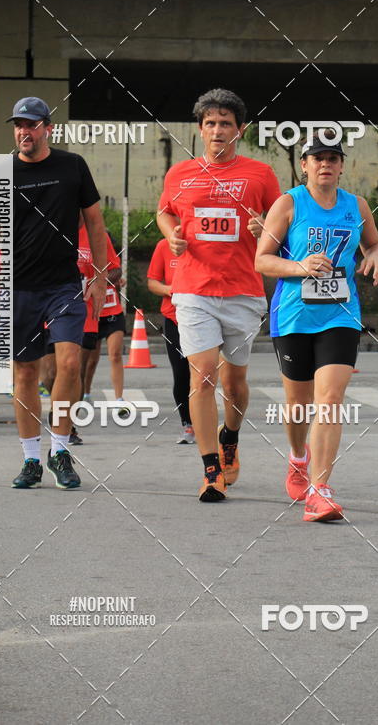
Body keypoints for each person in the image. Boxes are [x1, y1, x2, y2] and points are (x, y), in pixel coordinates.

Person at [157, 88, 281, 502]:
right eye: (210, 123)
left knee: (236, 380)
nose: (217, 130)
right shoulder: (180, 174)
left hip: (244, 290)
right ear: (200, 130)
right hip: (193, 289)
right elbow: (165, 210)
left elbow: (282, 224)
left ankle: (231, 436)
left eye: (225, 123)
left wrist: (265, 229)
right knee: (204, 373)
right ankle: (211, 469)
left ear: (239, 130)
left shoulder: (260, 174)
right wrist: (171, 234)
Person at [255, 131, 378, 522]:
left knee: (328, 400)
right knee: (298, 406)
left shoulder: (356, 205)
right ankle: (298, 459)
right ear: (305, 165)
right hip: (294, 315)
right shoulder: (289, 203)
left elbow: (375, 242)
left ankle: (319, 489)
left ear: (342, 166)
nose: (325, 163)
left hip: (340, 314)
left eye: (333, 157)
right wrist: (299, 267)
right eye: (318, 157)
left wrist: (375, 255)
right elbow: (262, 260)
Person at [7, 96, 108, 490]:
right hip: (18, 288)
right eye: (18, 125)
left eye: (31, 125)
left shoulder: (72, 166)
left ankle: (60, 450)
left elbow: (95, 222)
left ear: (48, 128)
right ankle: (31, 459)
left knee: (69, 364)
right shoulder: (1, 172)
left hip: (64, 284)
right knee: (26, 371)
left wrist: (99, 277)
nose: (23, 132)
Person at [147, 237, 194, 444]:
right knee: (181, 372)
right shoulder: (164, 246)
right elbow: (152, 282)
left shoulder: (205, 241)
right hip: (173, 318)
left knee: (203, 374)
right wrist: (169, 290)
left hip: (202, 317)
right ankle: (188, 424)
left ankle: (205, 424)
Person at [78, 222, 127, 413]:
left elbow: (116, 271)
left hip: (112, 309)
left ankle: (119, 398)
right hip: (93, 312)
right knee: (90, 360)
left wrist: (107, 281)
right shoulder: (85, 261)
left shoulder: (110, 261)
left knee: (115, 354)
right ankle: (86, 394)